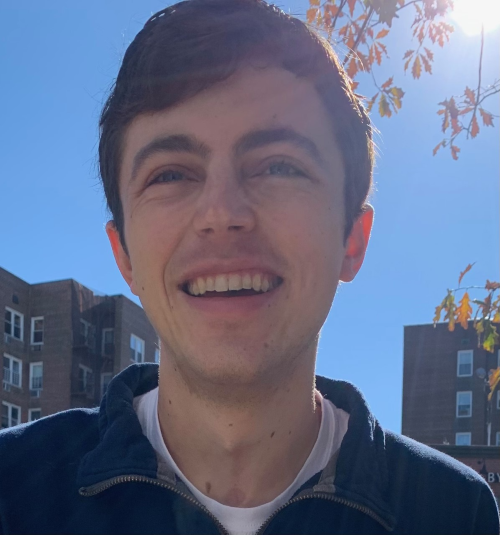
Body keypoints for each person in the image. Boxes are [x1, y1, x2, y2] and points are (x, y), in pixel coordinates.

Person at [0, 0, 498, 533]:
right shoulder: (13, 490)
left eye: (279, 166)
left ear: (352, 238)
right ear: (123, 254)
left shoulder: (450, 512)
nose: (223, 214)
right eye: (171, 174)